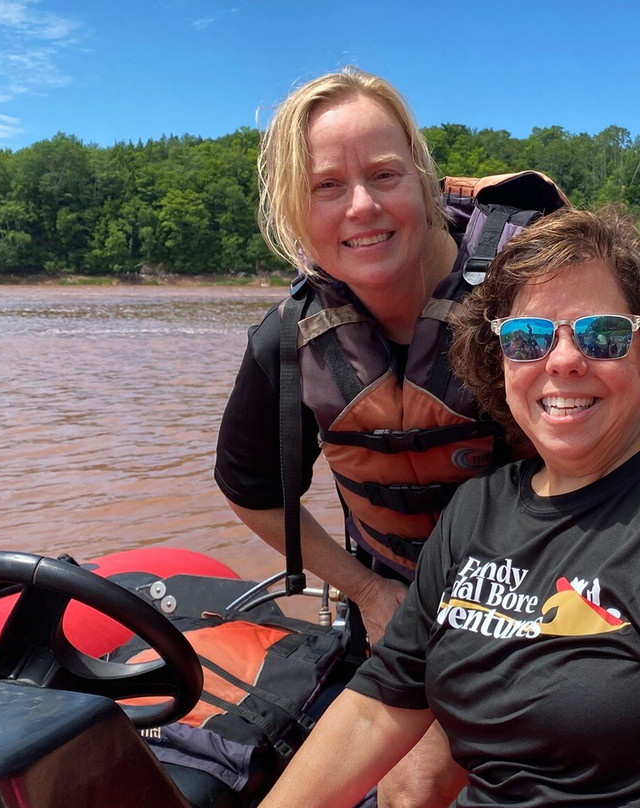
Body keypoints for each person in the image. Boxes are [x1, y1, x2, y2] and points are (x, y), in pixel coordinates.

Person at [258, 208, 640, 808]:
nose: (562, 360)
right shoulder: (476, 513)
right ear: (501, 361)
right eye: (528, 338)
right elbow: (382, 704)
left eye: (602, 335)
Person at [214, 68, 566, 808]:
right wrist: (369, 593)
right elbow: (248, 488)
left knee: (413, 789)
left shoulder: (535, 301)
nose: (363, 207)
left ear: (424, 178)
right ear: (293, 210)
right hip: (398, 610)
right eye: (326, 186)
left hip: (550, 602)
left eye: (383, 175)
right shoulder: (289, 341)